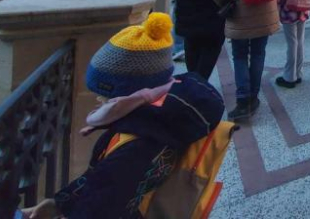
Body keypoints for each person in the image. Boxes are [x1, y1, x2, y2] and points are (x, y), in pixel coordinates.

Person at [22, 12, 224, 219]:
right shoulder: (162, 114)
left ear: (129, 93)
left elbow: (102, 203)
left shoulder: (139, 141)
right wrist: (60, 204)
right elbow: (103, 183)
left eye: (105, 94)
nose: (99, 100)